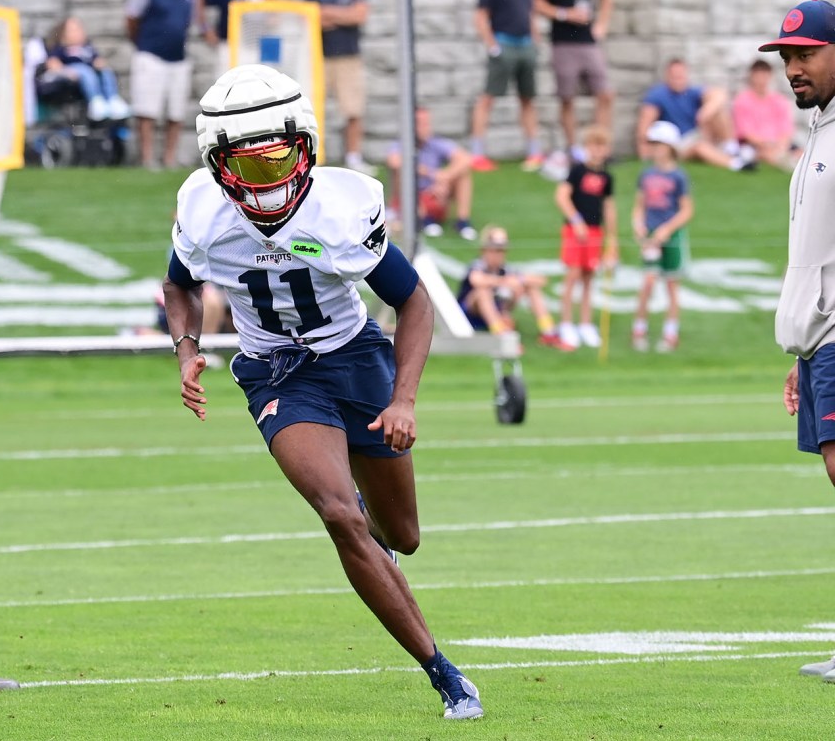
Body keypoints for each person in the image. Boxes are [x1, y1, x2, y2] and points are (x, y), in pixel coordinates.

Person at [162, 64, 484, 721]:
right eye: (249, 167)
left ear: (305, 148)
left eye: (278, 159)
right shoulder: (201, 211)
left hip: (356, 358)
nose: (269, 178)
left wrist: (404, 399)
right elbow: (178, 285)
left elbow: (414, 302)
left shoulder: (340, 209)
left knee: (404, 535)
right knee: (338, 514)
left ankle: (372, 527)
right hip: (277, 372)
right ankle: (442, 671)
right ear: (219, 167)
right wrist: (189, 348)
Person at [765, 0, 835, 682]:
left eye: (806, 54)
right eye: (786, 57)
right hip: (819, 345)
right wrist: (801, 350)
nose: (793, 68)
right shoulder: (818, 133)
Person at [533, 0, 614, 163]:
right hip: (563, 44)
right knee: (567, 98)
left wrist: (602, 24)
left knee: (605, 94)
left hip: (589, 43)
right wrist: (564, 14)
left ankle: (600, 148)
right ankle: (574, 149)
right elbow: (538, 4)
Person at [469, 0, 544, 173]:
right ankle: (477, 153)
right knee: (488, 98)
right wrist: (492, 45)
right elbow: (481, 15)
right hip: (504, 43)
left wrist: (535, 41)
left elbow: (530, 14)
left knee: (527, 98)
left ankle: (534, 151)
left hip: (526, 45)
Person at [630, 120, 693, 353]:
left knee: (671, 285)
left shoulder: (678, 176)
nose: (654, 148)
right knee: (647, 283)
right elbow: (639, 205)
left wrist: (667, 229)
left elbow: (686, 209)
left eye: (659, 143)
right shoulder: (646, 174)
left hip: (672, 236)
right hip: (650, 236)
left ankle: (670, 333)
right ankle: (639, 329)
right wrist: (637, 224)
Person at [304, 0, 374, 175]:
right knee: (312, 110)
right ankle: (313, 156)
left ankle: (353, 156)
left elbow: (359, 15)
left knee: (353, 109)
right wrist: (343, 14)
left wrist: (326, 12)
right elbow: (310, 19)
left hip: (348, 57)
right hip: (318, 58)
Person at [553, 124, 616, 349]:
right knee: (573, 274)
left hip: (595, 231)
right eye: (593, 145)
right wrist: (575, 219)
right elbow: (562, 196)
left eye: (602, 146)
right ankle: (567, 323)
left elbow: (608, 207)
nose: (597, 151)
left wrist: (612, 239)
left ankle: (586, 324)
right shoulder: (577, 171)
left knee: (589, 277)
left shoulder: (607, 177)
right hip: (575, 231)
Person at [458, 225, 572, 349]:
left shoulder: (505, 269)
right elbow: (476, 280)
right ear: (485, 250)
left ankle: (548, 331)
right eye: (495, 250)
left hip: (497, 311)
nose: (499, 254)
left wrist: (519, 281)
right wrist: (505, 281)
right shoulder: (478, 265)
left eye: (502, 250)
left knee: (530, 288)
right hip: (469, 314)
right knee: (483, 292)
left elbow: (540, 280)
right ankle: (502, 336)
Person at [125, 0, 195, 170]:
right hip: (150, 55)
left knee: (176, 111)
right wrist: (142, 43)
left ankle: (169, 158)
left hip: (178, 58)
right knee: (147, 110)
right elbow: (131, 19)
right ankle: (147, 158)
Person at [636, 58, 753, 171]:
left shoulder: (692, 91)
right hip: (677, 143)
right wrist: (645, 155)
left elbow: (720, 95)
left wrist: (704, 113)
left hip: (696, 134)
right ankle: (736, 164)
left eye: (681, 75)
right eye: (675, 76)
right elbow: (644, 128)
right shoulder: (657, 95)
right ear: (668, 76)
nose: (678, 79)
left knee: (718, 111)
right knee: (699, 146)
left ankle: (732, 149)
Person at [386, 107, 476, 240]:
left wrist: (445, 177)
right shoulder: (399, 145)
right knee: (403, 174)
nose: (426, 128)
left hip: (436, 194)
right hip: (411, 198)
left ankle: (462, 221)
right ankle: (421, 219)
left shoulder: (435, 143)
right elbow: (395, 162)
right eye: (421, 124)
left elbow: (466, 158)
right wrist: (432, 174)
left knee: (463, 174)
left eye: (427, 123)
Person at [46, 17, 130, 123]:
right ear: (63, 35)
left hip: (90, 71)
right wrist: (64, 71)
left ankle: (112, 99)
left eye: (78, 29)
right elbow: (53, 62)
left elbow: (96, 59)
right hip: (74, 71)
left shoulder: (87, 47)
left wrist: (100, 64)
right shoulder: (61, 49)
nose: (76, 33)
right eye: (71, 30)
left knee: (106, 71)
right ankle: (95, 100)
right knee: (85, 71)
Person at [197, 0, 274, 76]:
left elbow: (272, 16)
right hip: (229, 44)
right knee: (228, 85)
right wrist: (205, 28)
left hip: (255, 46)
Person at [732, 58, 802, 171]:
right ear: (751, 76)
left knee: (802, 152)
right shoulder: (742, 100)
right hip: (754, 146)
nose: (761, 80)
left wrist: (781, 145)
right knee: (763, 154)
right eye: (758, 75)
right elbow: (746, 134)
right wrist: (767, 145)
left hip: (779, 144)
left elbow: (786, 130)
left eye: (764, 75)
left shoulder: (780, 100)